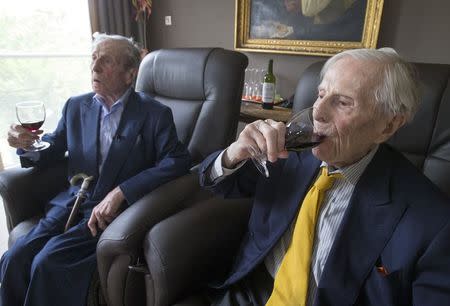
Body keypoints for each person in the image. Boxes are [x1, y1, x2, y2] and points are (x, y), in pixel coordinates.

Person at [198, 48, 450, 305]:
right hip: (250, 294)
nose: (317, 111)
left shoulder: (434, 223)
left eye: (343, 102)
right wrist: (234, 153)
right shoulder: (288, 152)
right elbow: (218, 184)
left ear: (388, 125)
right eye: (321, 94)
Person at [1, 33, 191, 306]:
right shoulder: (76, 106)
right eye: (93, 59)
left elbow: (177, 161)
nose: (95, 67)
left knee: (47, 263)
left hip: (110, 214)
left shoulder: (154, 114)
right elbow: (51, 148)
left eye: (106, 61)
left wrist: (122, 192)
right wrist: (26, 144)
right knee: (15, 258)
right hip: (70, 202)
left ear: (129, 74)